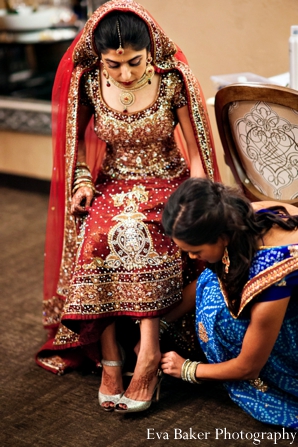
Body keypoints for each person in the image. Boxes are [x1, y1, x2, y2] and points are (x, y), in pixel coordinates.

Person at [36, 0, 220, 414]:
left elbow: (195, 154)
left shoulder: (172, 80)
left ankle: (150, 355)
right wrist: (83, 182)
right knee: (98, 234)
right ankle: (113, 359)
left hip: (168, 180)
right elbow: (76, 146)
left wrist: (192, 195)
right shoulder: (89, 82)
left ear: (150, 50)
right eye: (114, 65)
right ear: (100, 59)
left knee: (148, 232)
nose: (125, 73)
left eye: (135, 62)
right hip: (115, 181)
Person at [161, 177, 298, 429]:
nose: (191, 257)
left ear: (222, 237)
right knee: (211, 281)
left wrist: (188, 370)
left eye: (195, 251)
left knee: (223, 318)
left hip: (279, 330)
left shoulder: (275, 273)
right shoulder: (240, 215)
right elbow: (210, 274)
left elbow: (248, 368)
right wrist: (159, 323)